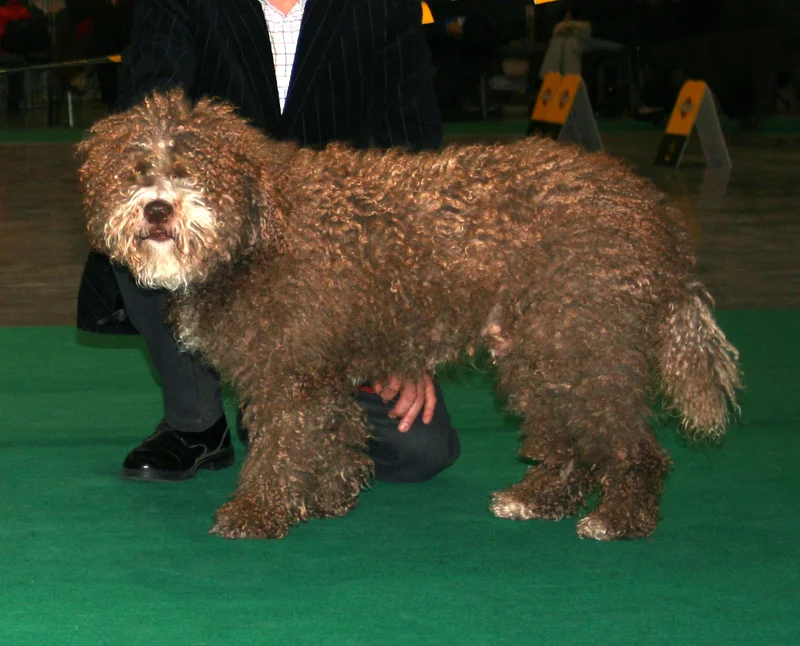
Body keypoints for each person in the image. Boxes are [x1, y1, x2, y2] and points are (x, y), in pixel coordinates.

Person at [77, 0, 461, 485]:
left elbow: (413, 172)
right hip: (216, 228)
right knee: (144, 228)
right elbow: (145, 119)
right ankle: (197, 424)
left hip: (337, 257)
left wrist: (404, 340)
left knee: (416, 453)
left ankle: (292, 394)